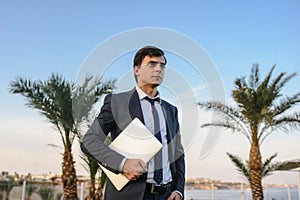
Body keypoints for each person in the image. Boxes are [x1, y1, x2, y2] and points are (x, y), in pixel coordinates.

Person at [81, 46, 185, 200]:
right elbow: (89, 141)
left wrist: (178, 190)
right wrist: (122, 163)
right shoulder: (117, 102)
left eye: (162, 65)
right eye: (152, 64)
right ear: (136, 70)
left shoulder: (171, 110)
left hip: (166, 195)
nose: (158, 69)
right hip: (129, 194)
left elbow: (177, 152)